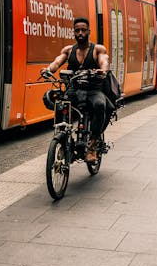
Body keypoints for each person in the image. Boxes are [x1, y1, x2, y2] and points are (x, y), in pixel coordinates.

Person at [41, 17, 109, 162]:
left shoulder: (97, 49)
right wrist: (48, 70)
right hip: (74, 90)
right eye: (77, 30)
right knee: (60, 105)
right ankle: (62, 137)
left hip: (93, 90)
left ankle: (93, 144)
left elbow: (104, 61)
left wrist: (102, 70)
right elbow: (57, 62)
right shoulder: (69, 50)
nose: (80, 33)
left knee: (100, 105)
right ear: (74, 32)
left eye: (83, 30)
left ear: (88, 31)